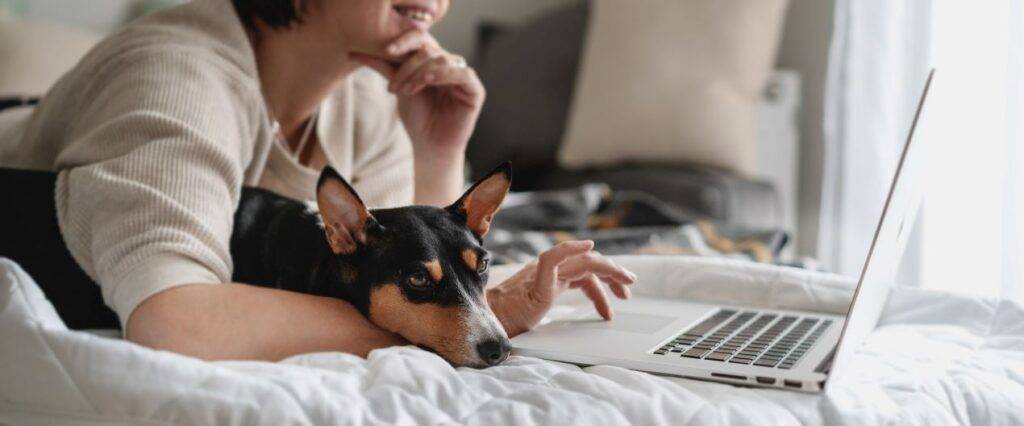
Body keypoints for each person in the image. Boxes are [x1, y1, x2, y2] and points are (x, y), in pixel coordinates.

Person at [0, 0, 635, 361]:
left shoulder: (366, 103)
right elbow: (174, 320)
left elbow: (404, 260)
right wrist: (484, 317)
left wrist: (437, 147)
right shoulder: (173, 82)